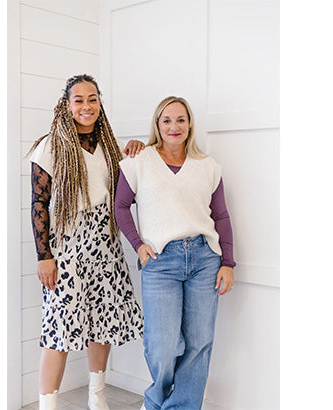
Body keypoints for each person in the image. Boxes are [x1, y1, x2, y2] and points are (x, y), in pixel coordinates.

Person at [28, 74, 145, 410]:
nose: (86, 106)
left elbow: (127, 191)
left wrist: (134, 150)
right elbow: (38, 203)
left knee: (102, 322)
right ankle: (47, 405)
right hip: (66, 247)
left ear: (99, 102)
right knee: (58, 329)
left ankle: (97, 397)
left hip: (105, 246)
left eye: (92, 99)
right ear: (66, 105)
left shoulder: (110, 147)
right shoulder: (50, 146)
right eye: (78, 99)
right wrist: (43, 255)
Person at [114, 96, 236, 409]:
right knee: (161, 345)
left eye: (181, 120)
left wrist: (228, 262)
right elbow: (121, 206)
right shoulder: (139, 161)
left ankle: (182, 406)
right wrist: (138, 244)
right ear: (157, 124)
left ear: (190, 124)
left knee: (198, 343)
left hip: (204, 259)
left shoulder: (207, 166)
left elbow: (220, 216)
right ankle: (155, 401)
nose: (174, 126)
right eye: (166, 120)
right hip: (160, 260)